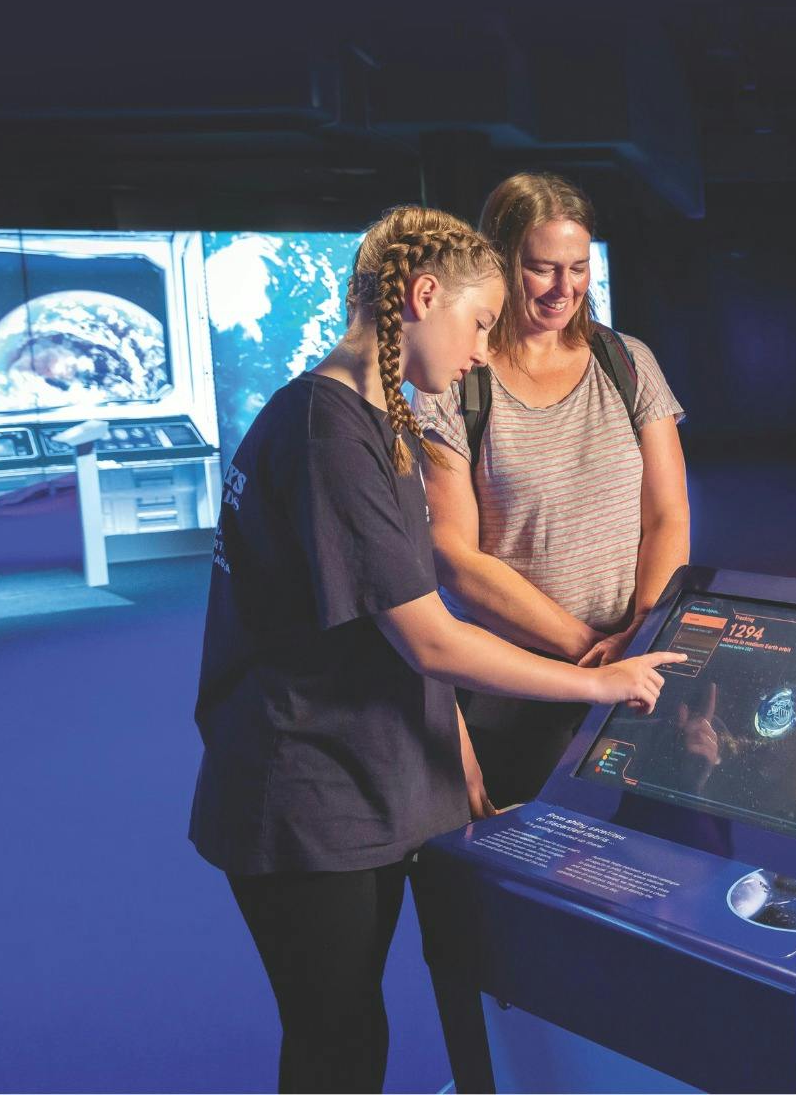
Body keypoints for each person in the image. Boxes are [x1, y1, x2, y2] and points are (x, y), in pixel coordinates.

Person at [188, 205, 682, 1094]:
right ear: (422, 296)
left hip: (369, 782)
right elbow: (427, 634)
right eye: (479, 323)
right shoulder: (325, 427)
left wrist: (448, 747)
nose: (482, 351)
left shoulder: (371, 424)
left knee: (358, 1033)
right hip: (305, 795)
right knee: (336, 1045)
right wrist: (599, 682)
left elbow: (389, 617)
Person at [414, 173, 689, 807]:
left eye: (579, 268)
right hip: (515, 686)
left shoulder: (627, 362)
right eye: (542, 269)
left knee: (638, 874)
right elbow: (453, 554)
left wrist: (641, 633)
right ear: (502, 264)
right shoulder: (456, 381)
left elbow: (668, 515)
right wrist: (586, 653)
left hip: (634, 674)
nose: (565, 289)